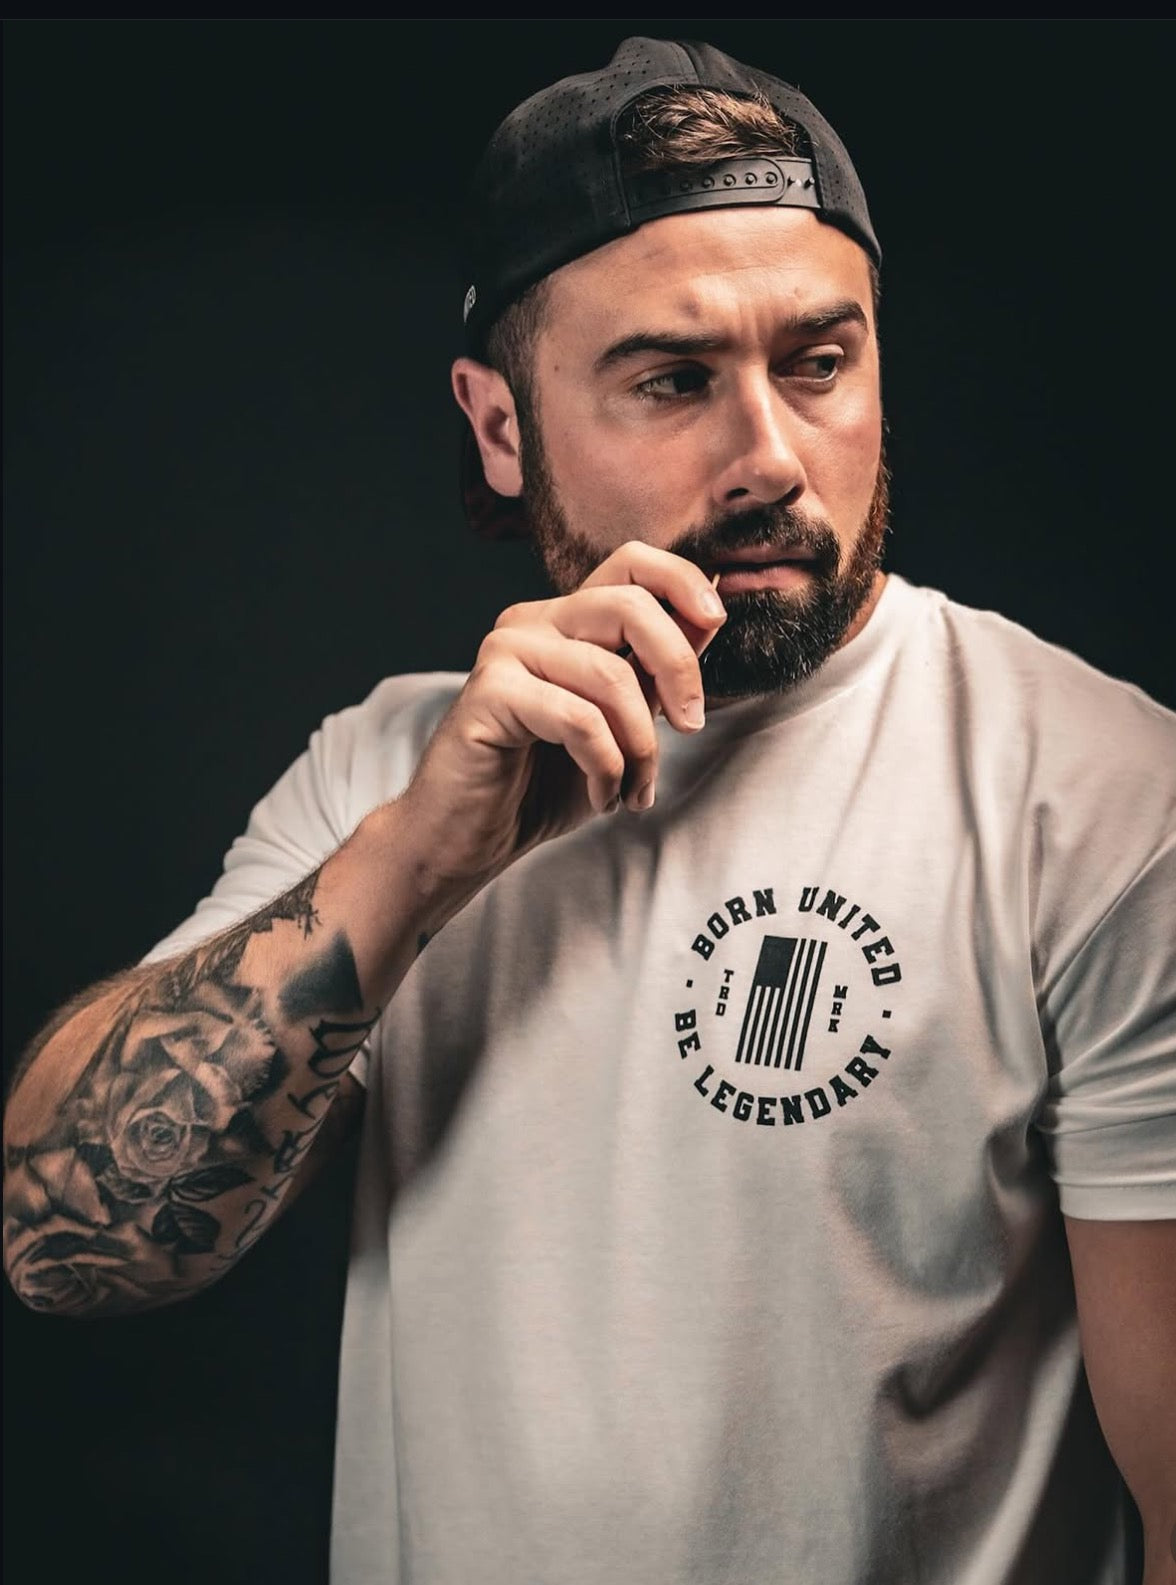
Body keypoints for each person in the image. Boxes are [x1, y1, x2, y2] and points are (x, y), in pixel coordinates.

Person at [4, 33, 1174, 1585]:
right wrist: (421, 859)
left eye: (819, 362)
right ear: (501, 425)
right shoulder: (385, 775)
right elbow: (60, 1241)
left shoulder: (1094, 790)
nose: (770, 456)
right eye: (672, 380)